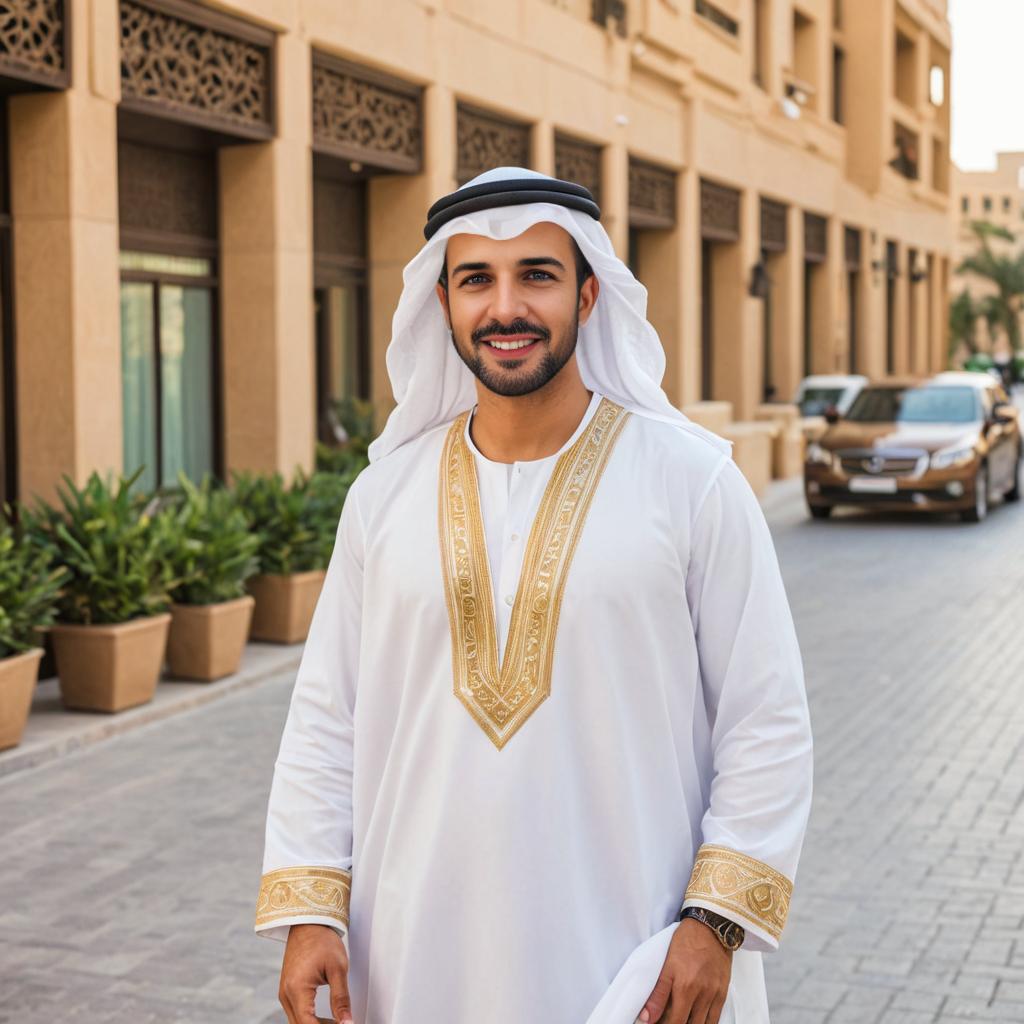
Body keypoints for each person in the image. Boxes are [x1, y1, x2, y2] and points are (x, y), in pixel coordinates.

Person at [255, 168, 814, 1024]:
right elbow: (329, 712)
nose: (505, 307)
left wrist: (715, 925)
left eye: (537, 277)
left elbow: (765, 717)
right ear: (443, 303)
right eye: (476, 279)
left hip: (633, 952)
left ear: (588, 296)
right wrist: (310, 908)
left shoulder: (692, 482)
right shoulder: (385, 495)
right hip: (410, 950)